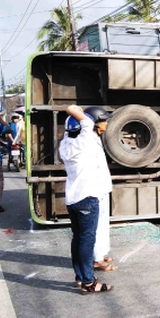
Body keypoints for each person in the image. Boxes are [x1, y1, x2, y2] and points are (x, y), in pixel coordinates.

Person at [59, 105, 113, 294]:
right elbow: (80, 116)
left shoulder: (65, 145)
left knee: (78, 240)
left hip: (73, 199)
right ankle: (89, 282)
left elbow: (77, 124)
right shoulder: (85, 139)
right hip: (88, 198)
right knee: (87, 241)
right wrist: (76, 110)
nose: (105, 123)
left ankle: (81, 278)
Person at [81, 106, 116, 272]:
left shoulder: (96, 138)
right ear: (94, 123)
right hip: (95, 188)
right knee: (97, 225)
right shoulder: (87, 139)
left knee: (103, 223)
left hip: (101, 187)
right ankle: (96, 259)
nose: (106, 123)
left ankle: (100, 254)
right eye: (103, 121)